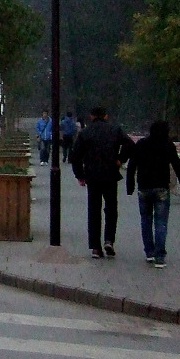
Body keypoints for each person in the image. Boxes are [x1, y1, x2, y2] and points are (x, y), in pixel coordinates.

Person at [70, 106, 135, 259]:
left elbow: (75, 156)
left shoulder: (85, 132)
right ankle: (109, 240)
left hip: (92, 176)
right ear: (106, 116)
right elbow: (130, 145)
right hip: (110, 174)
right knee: (111, 209)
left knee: (94, 210)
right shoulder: (115, 130)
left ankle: (95, 247)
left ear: (91, 116)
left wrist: (80, 176)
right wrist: (120, 159)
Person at [126, 121, 180, 268]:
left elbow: (131, 165)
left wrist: (130, 187)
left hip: (144, 188)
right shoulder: (168, 145)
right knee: (161, 222)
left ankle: (149, 252)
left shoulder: (141, 144)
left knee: (146, 220)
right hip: (162, 188)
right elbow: (178, 167)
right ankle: (160, 257)